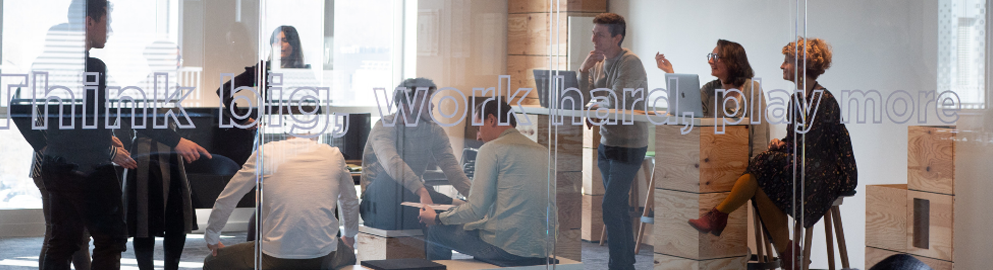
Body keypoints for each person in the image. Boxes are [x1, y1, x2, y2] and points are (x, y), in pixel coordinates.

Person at [687, 38, 857, 270]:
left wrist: (784, 148)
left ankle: (719, 215)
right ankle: (788, 253)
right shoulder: (797, 98)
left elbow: (815, 148)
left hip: (825, 172)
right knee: (762, 178)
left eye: (786, 61)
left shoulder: (822, 100)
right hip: (806, 164)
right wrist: (782, 143)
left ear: (801, 66)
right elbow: (798, 141)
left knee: (763, 165)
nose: (781, 66)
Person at [35, 1, 138, 269]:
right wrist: (109, 145)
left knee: (62, 242)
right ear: (89, 22)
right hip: (89, 167)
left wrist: (47, 146)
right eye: (108, 21)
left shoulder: (50, 63)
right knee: (110, 241)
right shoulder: (93, 67)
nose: (110, 30)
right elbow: (92, 121)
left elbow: (24, 109)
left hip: (58, 164)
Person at [418, 100, 555, 263]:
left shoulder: (491, 150)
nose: (478, 135)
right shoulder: (542, 151)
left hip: (507, 250)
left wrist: (437, 218)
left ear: (492, 120)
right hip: (542, 249)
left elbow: (475, 209)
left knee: (436, 231)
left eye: (478, 127)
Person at [202, 136, 358, 270]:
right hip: (325, 257)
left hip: (275, 256)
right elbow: (350, 200)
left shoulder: (267, 152)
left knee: (212, 262)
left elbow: (230, 196)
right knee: (350, 256)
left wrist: (212, 237)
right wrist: (349, 236)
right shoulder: (334, 155)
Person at [576, 13, 648, 270]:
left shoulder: (630, 63)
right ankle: (625, 263)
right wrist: (583, 69)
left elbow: (616, 100)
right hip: (607, 143)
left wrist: (593, 110)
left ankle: (617, 264)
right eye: (593, 33)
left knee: (610, 206)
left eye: (600, 34)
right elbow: (583, 98)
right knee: (617, 208)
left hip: (629, 145)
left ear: (617, 38)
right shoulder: (596, 63)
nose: (593, 38)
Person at [360, 78, 471, 230]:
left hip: (412, 200)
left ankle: (457, 206)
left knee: (441, 223)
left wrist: (475, 198)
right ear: (406, 107)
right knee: (391, 179)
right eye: (425, 100)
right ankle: (454, 204)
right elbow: (392, 163)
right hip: (376, 206)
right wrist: (422, 190)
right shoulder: (384, 127)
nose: (432, 105)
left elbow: (451, 167)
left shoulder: (433, 130)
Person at [656, 39, 770, 159]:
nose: (710, 61)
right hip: (714, 160)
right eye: (710, 56)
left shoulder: (752, 88)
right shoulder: (710, 89)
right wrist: (670, 73)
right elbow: (687, 111)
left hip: (744, 162)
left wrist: (754, 171)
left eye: (716, 57)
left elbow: (760, 137)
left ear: (732, 62)